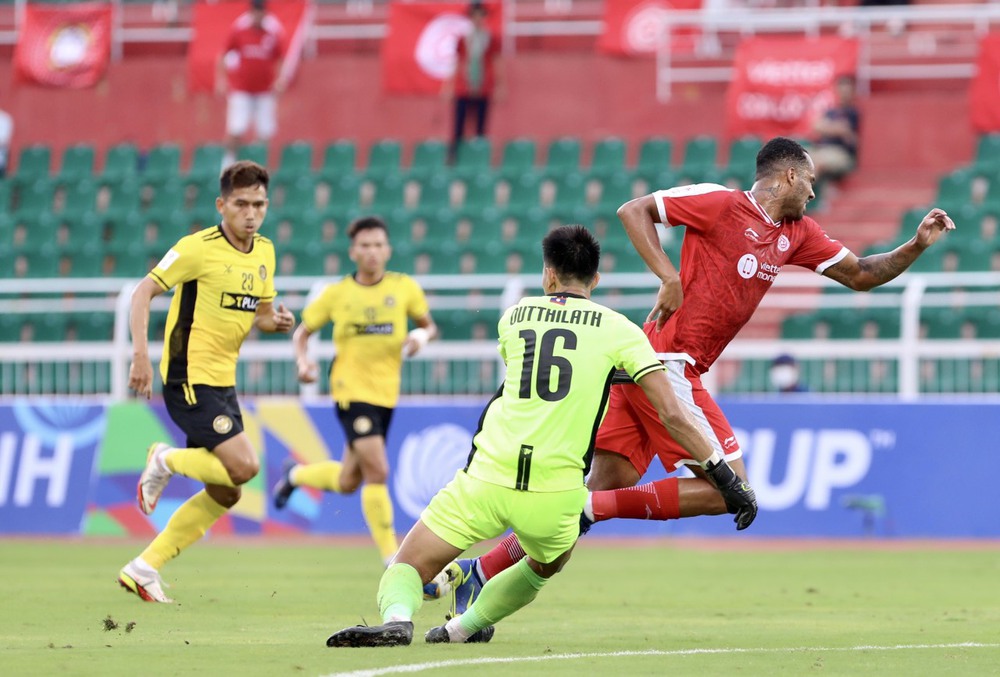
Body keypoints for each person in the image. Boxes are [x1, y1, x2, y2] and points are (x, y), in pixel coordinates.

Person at [446, 136, 955, 637]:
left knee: (603, 486)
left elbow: (863, 273)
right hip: (667, 365)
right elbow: (633, 210)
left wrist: (916, 244)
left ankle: (482, 572)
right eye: (812, 183)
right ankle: (575, 514)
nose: (814, 195)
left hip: (650, 363)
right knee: (726, 490)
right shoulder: (720, 204)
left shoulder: (796, 231)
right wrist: (668, 277)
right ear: (790, 176)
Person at [324, 226, 757, 648]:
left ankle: (398, 619)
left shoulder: (515, 316)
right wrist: (726, 478)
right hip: (556, 490)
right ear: (597, 279)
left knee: (407, 565)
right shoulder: (621, 330)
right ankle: (461, 628)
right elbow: (673, 414)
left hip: (487, 478)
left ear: (548, 274)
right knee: (546, 564)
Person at [118, 161, 295, 603]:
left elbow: (261, 313)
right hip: (188, 378)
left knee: (227, 490)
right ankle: (163, 460)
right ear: (222, 205)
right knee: (246, 467)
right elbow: (143, 292)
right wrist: (140, 354)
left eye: (259, 204)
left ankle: (144, 568)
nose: (250, 213)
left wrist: (277, 322)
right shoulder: (197, 248)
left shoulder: (265, 252)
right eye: (241, 204)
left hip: (223, 383)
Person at [271, 217, 438, 571]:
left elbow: (429, 326)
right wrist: (303, 363)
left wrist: (419, 338)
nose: (372, 252)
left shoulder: (404, 288)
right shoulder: (336, 294)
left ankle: (295, 476)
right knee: (377, 470)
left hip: (386, 394)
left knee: (350, 480)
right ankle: (392, 558)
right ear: (353, 252)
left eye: (379, 244)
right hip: (350, 392)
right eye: (365, 245)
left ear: (388, 249)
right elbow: (302, 333)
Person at [216, 0, 288, 170]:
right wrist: (221, 80)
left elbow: (280, 57)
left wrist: (280, 79)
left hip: (264, 91)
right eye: (255, 11)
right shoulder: (240, 31)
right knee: (236, 129)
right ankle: (227, 164)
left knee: (265, 131)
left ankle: (261, 168)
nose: (257, 15)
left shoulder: (272, 33)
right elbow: (223, 55)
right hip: (242, 89)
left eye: (260, 11)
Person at [442, 1, 504, 164]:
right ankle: (454, 159)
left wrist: (500, 85)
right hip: (464, 86)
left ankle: (479, 159)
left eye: (480, 15)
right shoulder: (463, 39)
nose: (477, 18)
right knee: (459, 126)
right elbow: (458, 62)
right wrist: (449, 85)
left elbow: (496, 61)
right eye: (474, 15)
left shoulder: (491, 38)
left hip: (483, 86)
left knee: (481, 127)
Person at [810, 74, 861, 188]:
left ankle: (799, 200)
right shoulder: (831, 111)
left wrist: (827, 127)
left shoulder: (854, 112)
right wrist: (833, 128)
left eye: (847, 90)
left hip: (841, 154)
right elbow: (816, 126)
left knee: (817, 163)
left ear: (853, 91)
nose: (844, 93)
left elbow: (843, 130)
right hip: (822, 150)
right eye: (842, 89)